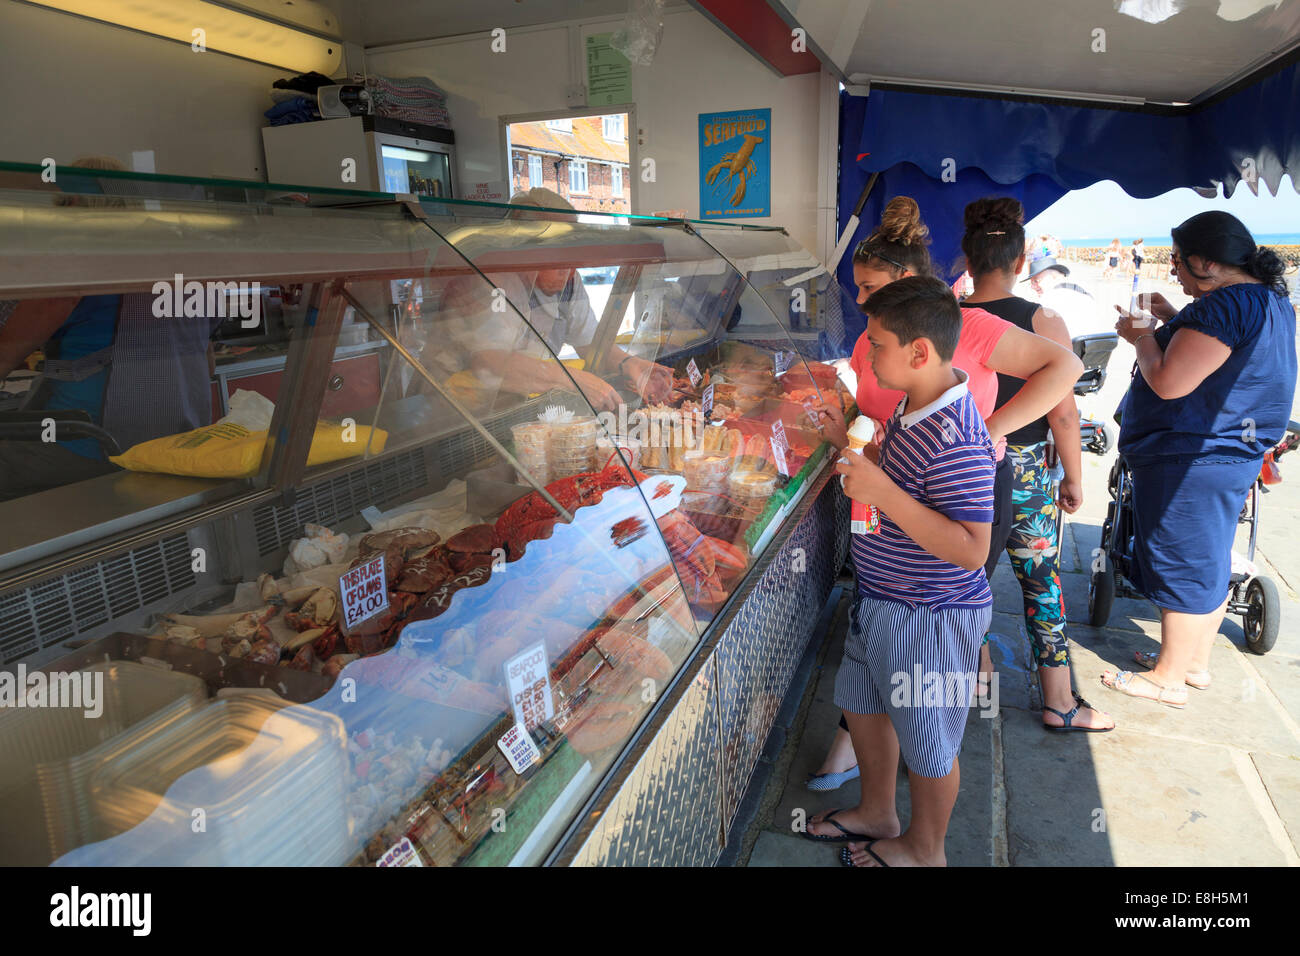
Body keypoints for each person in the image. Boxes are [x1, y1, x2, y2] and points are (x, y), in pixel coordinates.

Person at [803, 197, 1081, 793]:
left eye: (869, 286)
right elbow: (876, 408)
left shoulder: (966, 327)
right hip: (891, 491)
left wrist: (990, 433)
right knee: (881, 633)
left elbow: (1064, 369)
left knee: (937, 624)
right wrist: (842, 423)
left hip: (952, 489)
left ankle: (924, 754)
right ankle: (880, 755)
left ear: (906, 284)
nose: (859, 301)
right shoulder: (886, 345)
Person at [818, 275, 995, 866]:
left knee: (929, 741)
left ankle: (926, 848)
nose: (867, 356)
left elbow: (972, 547)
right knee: (864, 705)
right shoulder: (912, 405)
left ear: (920, 352)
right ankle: (877, 811)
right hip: (883, 600)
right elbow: (901, 478)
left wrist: (883, 493)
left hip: (931, 615)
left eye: (876, 345)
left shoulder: (958, 436)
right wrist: (861, 454)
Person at [1101, 211, 1297, 706]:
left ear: (1207, 263)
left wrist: (1140, 336)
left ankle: (1166, 678)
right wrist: (1171, 317)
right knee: (1209, 557)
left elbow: (1169, 382)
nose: (1173, 271)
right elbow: (1220, 356)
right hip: (1234, 454)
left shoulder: (1223, 307)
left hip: (1192, 456)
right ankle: (1192, 662)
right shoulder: (1270, 300)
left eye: (1178, 262)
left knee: (1181, 559)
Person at [961, 199, 1114, 732]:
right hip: (1023, 470)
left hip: (962, 467)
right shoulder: (1042, 319)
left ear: (967, 257)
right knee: (1040, 582)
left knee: (964, 580)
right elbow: (1064, 413)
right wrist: (1073, 476)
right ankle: (1058, 702)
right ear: (1020, 263)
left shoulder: (943, 318)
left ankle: (975, 688)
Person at [0, 157, 223, 500]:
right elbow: (206, 359)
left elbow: (16, 342)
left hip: (92, 443)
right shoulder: (181, 252)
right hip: (178, 440)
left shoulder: (78, 252)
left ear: (72, 203)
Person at [438, 187, 672, 411]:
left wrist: (630, 364)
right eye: (559, 257)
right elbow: (491, 363)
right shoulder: (492, 281)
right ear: (526, 250)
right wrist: (573, 380)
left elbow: (589, 342)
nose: (569, 272)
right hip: (456, 408)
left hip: (517, 404)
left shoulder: (568, 279)